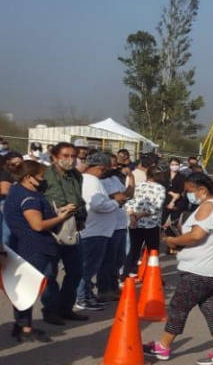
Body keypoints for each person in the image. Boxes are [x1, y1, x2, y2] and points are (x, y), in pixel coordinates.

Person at [143, 172, 213, 365]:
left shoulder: (208, 206)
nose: (187, 195)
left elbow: (196, 235)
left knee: (178, 307)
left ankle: (163, 346)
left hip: (201, 270)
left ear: (202, 190)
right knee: (211, 309)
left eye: (190, 191)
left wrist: (172, 240)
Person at [3, 162, 78, 342]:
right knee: (29, 288)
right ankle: (25, 327)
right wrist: (60, 217)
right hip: (35, 247)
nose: (44, 179)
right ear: (29, 177)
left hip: (24, 245)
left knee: (26, 287)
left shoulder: (16, 192)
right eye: (41, 176)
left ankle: (22, 324)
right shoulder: (30, 198)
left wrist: (59, 211)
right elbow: (37, 225)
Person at [40, 142, 88, 323]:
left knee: (76, 271)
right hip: (52, 226)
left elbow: (79, 198)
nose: (70, 160)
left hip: (72, 226)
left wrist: (81, 218)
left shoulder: (76, 175)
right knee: (50, 273)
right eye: (66, 156)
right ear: (55, 157)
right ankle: (50, 310)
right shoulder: (45, 174)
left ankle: (65, 307)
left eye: (73, 156)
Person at [77, 153, 128, 311]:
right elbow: (98, 204)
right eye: (104, 169)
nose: (105, 172)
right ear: (100, 168)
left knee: (90, 266)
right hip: (94, 232)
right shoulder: (92, 181)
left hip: (96, 230)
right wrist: (115, 203)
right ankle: (81, 298)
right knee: (88, 268)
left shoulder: (87, 180)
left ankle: (86, 295)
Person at [97, 157, 133, 302]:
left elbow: (129, 194)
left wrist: (131, 177)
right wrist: (123, 196)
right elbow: (120, 197)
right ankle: (104, 290)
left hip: (121, 224)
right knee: (108, 260)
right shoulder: (102, 182)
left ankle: (113, 287)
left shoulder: (115, 179)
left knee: (119, 260)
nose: (115, 166)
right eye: (111, 164)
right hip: (110, 225)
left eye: (116, 164)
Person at [124, 166, 167, 276]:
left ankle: (125, 275)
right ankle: (153, 276)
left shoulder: (138, 186)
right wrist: (139, 215)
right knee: (153, 251)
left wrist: (133, 217)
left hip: (135, 224)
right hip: (152, 225)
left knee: (133, 250)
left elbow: (128, 202)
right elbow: (156, 207)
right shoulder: (160, 188)